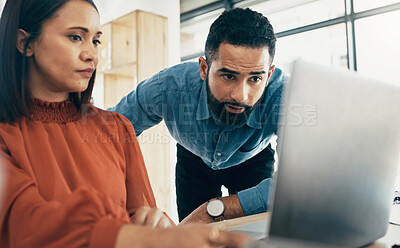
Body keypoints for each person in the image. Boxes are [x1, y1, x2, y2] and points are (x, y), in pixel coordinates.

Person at [0, 0, 252, 247]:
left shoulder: (116, 127)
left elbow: (143, 214)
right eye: (75, 37)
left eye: (95, 40)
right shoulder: (5, 136)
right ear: (25, 42)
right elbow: (25, 223)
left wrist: (159, 226)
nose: (91, 55)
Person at [110, 8, 285, 223]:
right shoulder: (167, 88)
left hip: (253, 159)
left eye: (255, 79)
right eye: (228, 76)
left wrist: (213, 210)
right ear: (204, 68)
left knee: (253, 233)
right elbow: (109, 131)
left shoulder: (284, 97)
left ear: (268, 75)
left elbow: (300, 183)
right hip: (193, 159)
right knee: (192, 236)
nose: (241, 95)